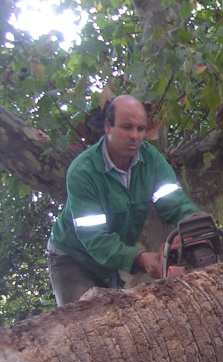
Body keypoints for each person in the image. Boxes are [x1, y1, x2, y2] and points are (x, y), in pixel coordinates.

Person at [47, 94, 200, 306]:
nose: (135, 136)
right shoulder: (83, 172)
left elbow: (174, 203)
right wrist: (140, 258)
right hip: (74, 258)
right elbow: (95, 239)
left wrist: (192, 224)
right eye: (127, 127)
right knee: (83, 328)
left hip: (112, 259)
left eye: (140, 129)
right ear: (108, 127)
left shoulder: (152, 161)